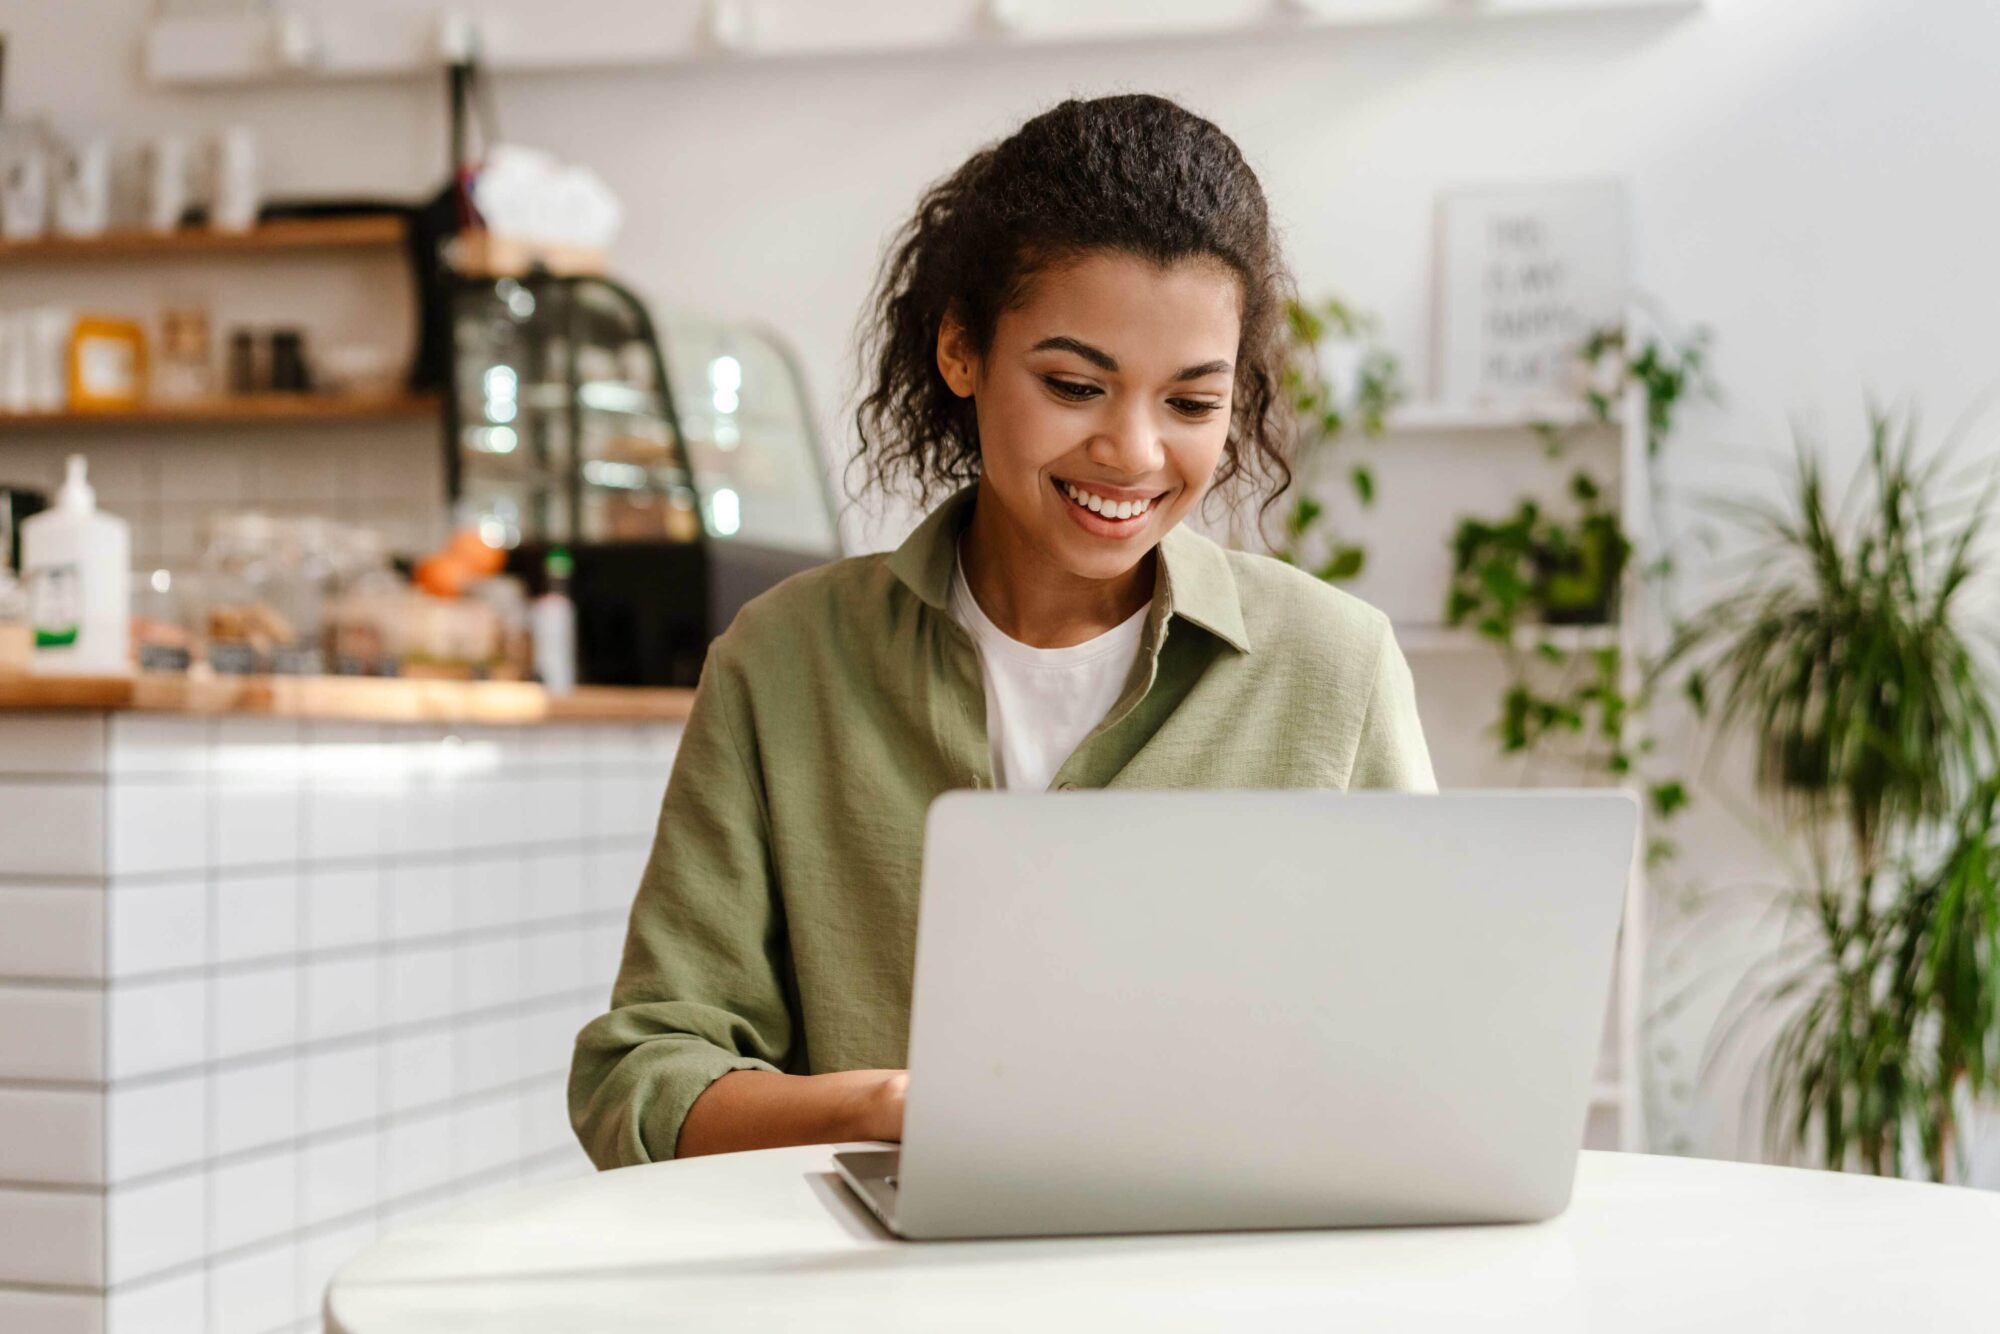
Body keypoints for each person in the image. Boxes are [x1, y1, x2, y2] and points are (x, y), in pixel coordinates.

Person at [569, 93, 1436, 1168]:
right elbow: (643, 1075)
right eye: (1074, 385)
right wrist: (887, 1106)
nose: (1130, 450)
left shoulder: (1333, 667)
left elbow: (1421, 1066)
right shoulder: (782, 660)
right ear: (960, 350)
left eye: (1189, 403)